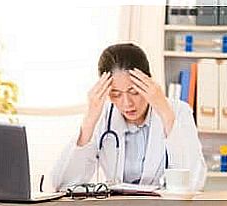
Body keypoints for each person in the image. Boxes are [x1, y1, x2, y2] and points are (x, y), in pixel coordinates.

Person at [51, 43, 207, 192]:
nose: (127, 103)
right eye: (115, 94)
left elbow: (194, 181)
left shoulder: (177, 111)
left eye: (134, 92)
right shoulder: (103, 116)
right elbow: (65, 184)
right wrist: (89, 121)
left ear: (148, 82)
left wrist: (165, 113)